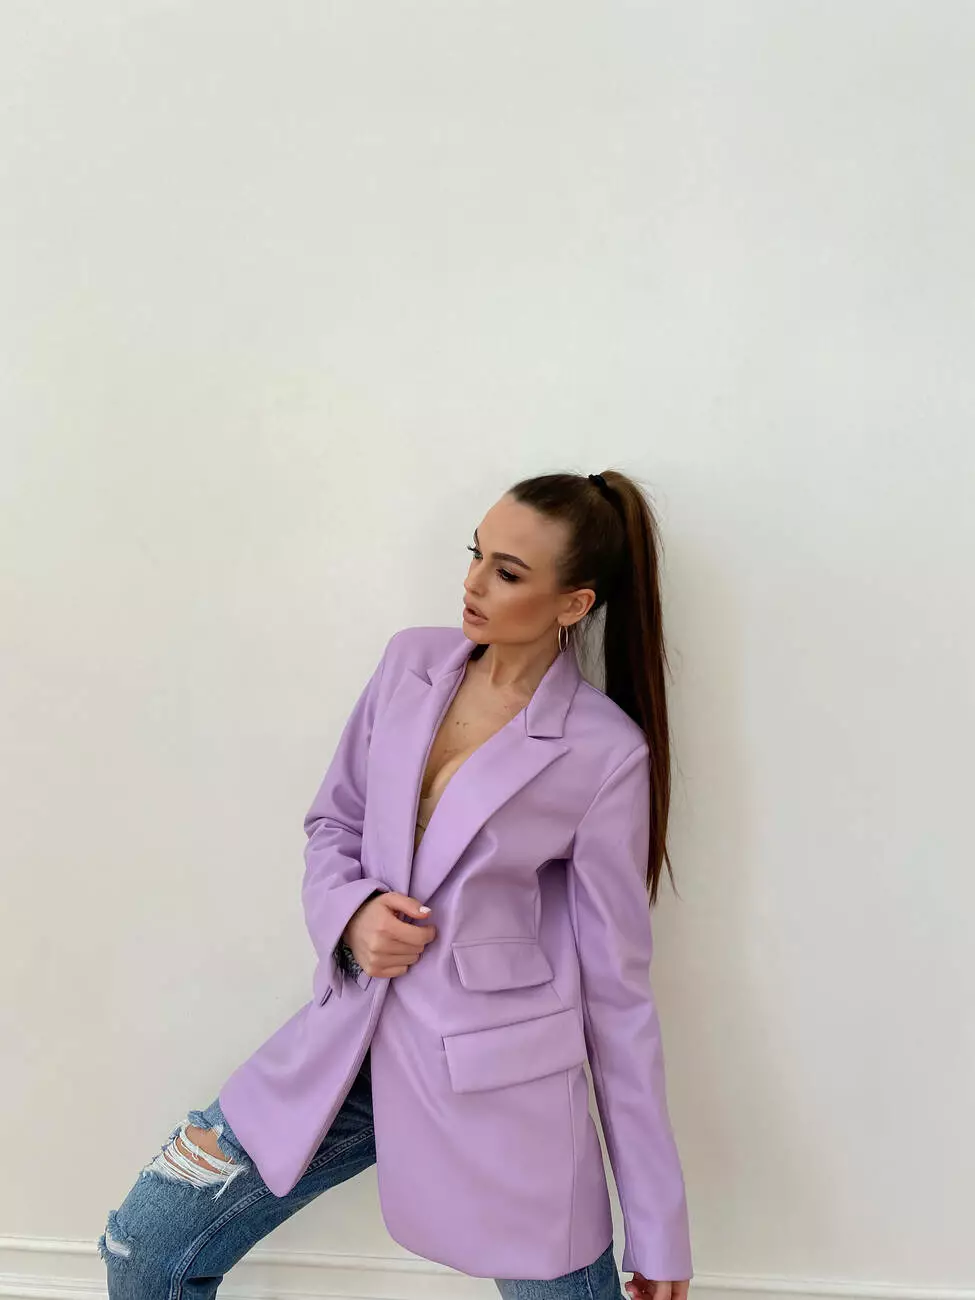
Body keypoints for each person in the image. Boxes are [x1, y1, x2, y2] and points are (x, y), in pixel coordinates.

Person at [98, 469, 693, 1300]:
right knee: (144, 1248)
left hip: (498, 1089)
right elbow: (333, 824)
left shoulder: (603, 751)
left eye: (507, 572)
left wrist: (658, 1229)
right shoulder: (409, 663)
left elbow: (617, 995)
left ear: (573, 603)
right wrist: (352, 916)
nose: (473, 584)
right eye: (475, 554)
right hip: (347, 1045)